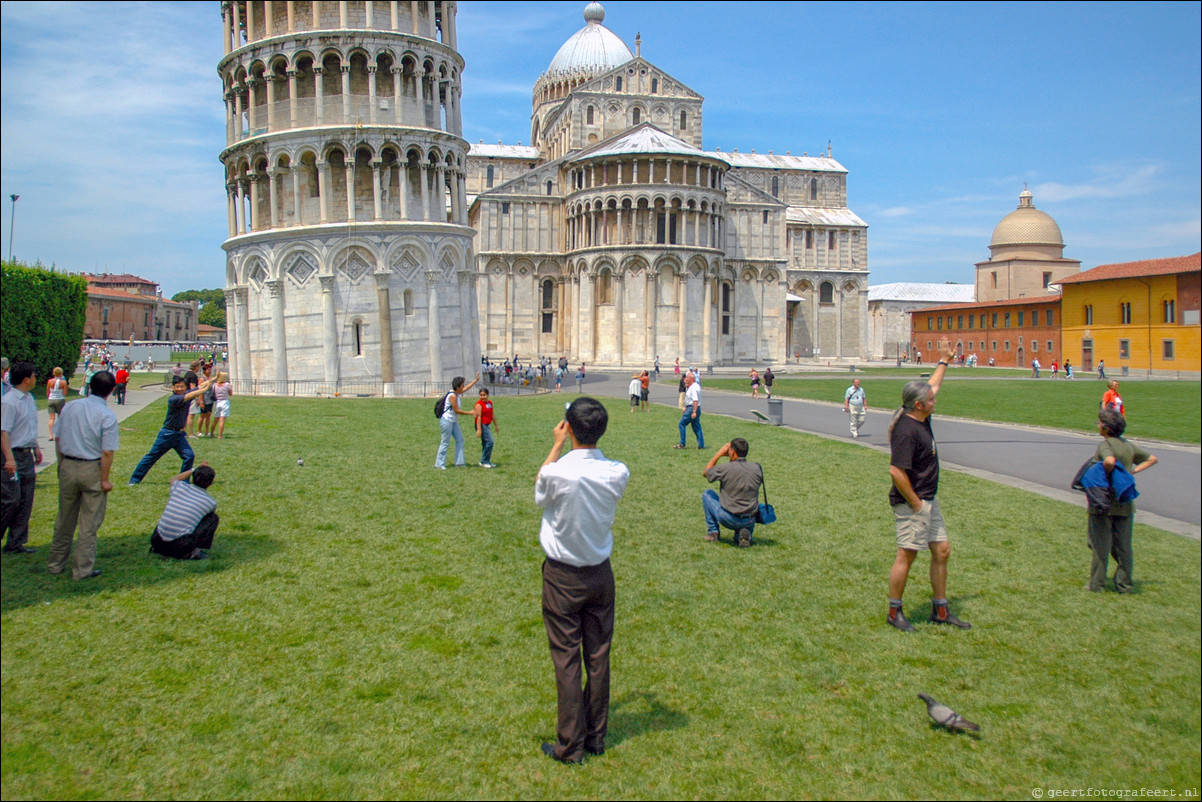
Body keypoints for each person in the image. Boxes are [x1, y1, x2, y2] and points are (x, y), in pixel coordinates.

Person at [535, 397, 629, 764]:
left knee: (567, 659)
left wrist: (556, 445)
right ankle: (596, 737)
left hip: (563, 574)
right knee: (598, 657)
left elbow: (539, 492)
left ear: (568, 428)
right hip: (601, 574)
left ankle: (571, 744)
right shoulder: (618, 471)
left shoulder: (558, 471)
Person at [886, 337, 971, 632]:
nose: (936, 400)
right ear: (919, 405)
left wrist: (944, 361)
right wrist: (917, 503)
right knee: (906, 555)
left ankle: (941, 611)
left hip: (927, 500)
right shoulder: (907, 431)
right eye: (931, 401)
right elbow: (896, 471)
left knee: (942, 550)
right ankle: (894, 612)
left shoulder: (920, 415)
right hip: (914, 502)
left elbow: (932, 387)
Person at [47, 370, 118, 580]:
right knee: (89, 523)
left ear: (89, 386)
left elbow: (58, 437)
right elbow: (107, 451)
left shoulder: (71, 407)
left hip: (69, 464)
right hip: (91, 468)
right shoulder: (106, 415)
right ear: (111, 391)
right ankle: (82, 570)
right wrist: (104, 479)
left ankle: (55, 563)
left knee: (64, 518)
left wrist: (62, 464)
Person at [1086, 410, 1157, 593]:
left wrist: (1108, 472)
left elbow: (1109, 460)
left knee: (1099, 544)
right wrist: (1131, 472)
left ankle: (1096, 585)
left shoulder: (1105, 444)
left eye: (1100, 423)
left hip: (1104, 502)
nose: (1098, 425)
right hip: (1125, 503)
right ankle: (1124, 584)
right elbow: (1152, 459)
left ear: (1106, 427)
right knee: (1124, 546)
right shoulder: (1128, 445)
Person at [128, 374, 212, 485]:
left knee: (189, 456)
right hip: (167, 434)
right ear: (173, 388)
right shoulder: (174, 398)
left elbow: (198, 387)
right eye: (177, 387)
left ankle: (183, 482)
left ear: (185, 387)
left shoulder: (186, 393)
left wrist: (212, 380)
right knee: (152, 456)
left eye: (182, 387)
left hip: (179, 435)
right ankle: (134, 480)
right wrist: (205, 389)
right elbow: (193, 393)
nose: (179, 389)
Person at [1, 362, 43, 553]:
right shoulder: (9, 402)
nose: (36, 378)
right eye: (34, 375)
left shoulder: (29, 398)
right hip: (11, 455)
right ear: (26, 379)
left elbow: (29, 427)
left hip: (26, 455)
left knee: (26, 500)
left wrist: (36, 448)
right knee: (11, 499)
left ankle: (16, 542)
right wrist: (9, 459)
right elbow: (3, 432)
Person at [150, 463, 220, 560]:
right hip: (180, 545)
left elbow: (174, 480)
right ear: (211, 483)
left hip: (156, 540)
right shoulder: (210, 502)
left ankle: (159, 549)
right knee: (213, 518)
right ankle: (194, 552)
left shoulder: (179, 487)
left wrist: (192, 470)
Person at [701, 438, 763, 548]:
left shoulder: (725, 468)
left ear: (732, 452)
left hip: (729, 517)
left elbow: (706, 473)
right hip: (750, 519)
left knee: (707, 494)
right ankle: (743, 534)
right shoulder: (757, 468)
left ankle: (713, 532)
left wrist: (718, 454)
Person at [434, 373, 480, 469]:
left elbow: (467, 388)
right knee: (445, 442)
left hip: (453, 421)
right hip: (447, 421)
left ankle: (459, 463)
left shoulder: (457, 393)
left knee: (460, 440)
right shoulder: (453, 396)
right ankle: (439, 464)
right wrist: (470, 413)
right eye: (462, 385)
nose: (463, 386)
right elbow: (457, 410)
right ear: (458, 386)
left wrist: (475, 380)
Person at [675, 372, 705, 450]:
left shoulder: (694, 387)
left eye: (687, 377)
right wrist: (685, 407)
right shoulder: (691, 386)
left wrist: (694, 411)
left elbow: (695, 400)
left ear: (691, 379)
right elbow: (689, 399)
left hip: (692, 408)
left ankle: (682, 443)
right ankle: (701, 445)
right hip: (692, 407)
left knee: (682, 423)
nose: (685, 379)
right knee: (696, 427)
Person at [474, 387, 498, 468]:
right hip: (482, 424)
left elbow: (492, 414)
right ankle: (484, 461)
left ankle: (485, 461)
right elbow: (478, 417)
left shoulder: (490, 403)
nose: (482, 397)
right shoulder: (479, 404)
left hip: (487, 424)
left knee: (485, 443)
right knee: (490, 442)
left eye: (484, 395)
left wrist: (496, 425)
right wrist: (479, 429)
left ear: (487, 395)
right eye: (481, 395)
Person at [46, 367, 70, 441]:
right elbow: (65, 393)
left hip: (51, 399)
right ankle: (59, 434)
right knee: (60, 417)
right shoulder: (63, 382)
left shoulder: (50, 381)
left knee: (51, 418)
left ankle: (50, 435)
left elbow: (47, 392)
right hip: (60, 400)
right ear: (61, 374)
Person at [212, 372, 233, 438]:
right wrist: (231, 387)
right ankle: (220, 435)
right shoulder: (227, 384)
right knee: (222, 420)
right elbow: (230, 394)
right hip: (225, 402)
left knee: (215, 419)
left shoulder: (214, 385)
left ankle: (211, 433)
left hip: (217, 402)